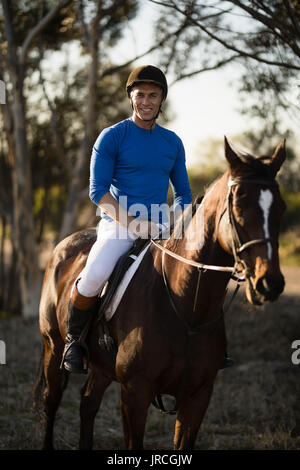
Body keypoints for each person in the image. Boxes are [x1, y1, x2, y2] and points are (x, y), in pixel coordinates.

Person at [62, 65, 193, 374]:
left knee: (195, 275)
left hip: (162, 225)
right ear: (131, 97)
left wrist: (179, 222)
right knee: (95, 274)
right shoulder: (112, 136)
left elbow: (184, 194)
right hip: (118, 222)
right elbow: (98, 192)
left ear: (162, 100)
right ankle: (74, 340)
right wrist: (135, 224)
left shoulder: (172, 142)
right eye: (140, 95)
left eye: (153, 95)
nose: (146, 101)